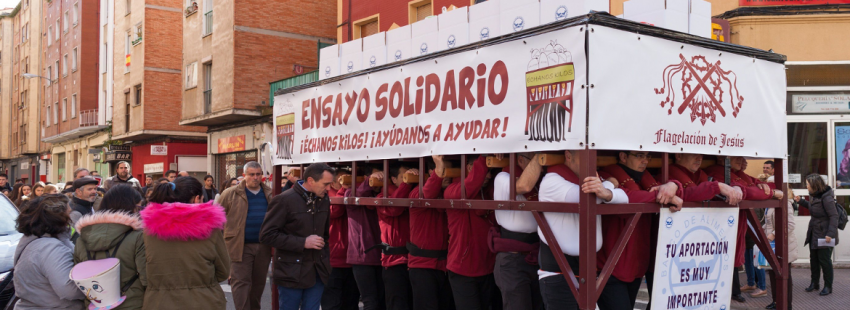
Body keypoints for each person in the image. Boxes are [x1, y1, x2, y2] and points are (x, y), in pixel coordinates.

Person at [536, 150, 629, 310]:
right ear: (568, 155)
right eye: (585, 156)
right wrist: (610, 185)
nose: (591, 162)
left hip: (587, 272)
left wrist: (605, 190)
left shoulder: (595, 182)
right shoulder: (552, 180)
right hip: (558, 274)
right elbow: (585, 198)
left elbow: (625, 198)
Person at [596, 151, 682, 310]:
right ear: (623, 156)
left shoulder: (645, 178)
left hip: (636, 266)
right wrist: (660, 195)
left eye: (648, 156)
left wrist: (674, 185)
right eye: (639, 155)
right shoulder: (607, 176)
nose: (645, 160)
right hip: (610, 267)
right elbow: (626, 199)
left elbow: (684, 193)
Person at [140, 176, 230, 309]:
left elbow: (143, 271)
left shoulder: (148, 228)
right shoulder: (210, 228)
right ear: (196, 199)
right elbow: (223, 271)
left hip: (159, 302)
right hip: (205, 301)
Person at [260, 163, 334, 310]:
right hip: (291, 272)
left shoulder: (323, 199)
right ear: (311, 180)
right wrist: (303, 242)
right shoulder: (284, 200)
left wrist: (325, 260)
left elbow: (324, 236)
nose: (328, 189)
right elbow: (266, 235)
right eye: (326, 184)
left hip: (317, 271)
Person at [73, 185, 147, 310]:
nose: (140, 212)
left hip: (95, 305)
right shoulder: (138, 237)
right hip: (132, 304)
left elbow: (78, 277)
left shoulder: (82, 238)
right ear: (130, 208)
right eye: (139, 207)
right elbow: (146, 278)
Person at [441, 155, 498, 310]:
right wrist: (485, 154)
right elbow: (469, 186)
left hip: (487, 268)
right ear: (468, 167)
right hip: (463, 270)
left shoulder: (487, 191)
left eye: (490, 170)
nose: (488, 175)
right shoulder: (453, 190)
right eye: (484, 170)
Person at [13, 194, 86, 310]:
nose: (70, 217)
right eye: (68, 213)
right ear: (58, 218)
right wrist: (94, 289)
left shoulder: (32, 240)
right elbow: (68, 289)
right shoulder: (51, 248)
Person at [491, 153, 543, 310]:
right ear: (520, 160)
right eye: (536, 161)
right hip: (512, 259)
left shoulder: (540, 181)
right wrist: (540, 153)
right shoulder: (503, 177)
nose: (541, 166)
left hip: (536, 253)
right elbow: (523, 187)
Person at [219, 162, 273, 310]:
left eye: (258, 174)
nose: (255, 178)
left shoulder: (270, 193)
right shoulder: (230, 193)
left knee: (258, 283)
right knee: (240, 283)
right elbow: (217, 217)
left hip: (263, 246)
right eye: (251, 174)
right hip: (239, 245)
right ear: (244, 176)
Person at [407, 158, 454, 310]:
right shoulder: (417, 192)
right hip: (422, 266)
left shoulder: (449, 194)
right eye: (442, 171)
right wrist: (439, 167)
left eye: (449, 171)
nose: (446, 175)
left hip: (445, 265)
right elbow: (428, 193)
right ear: (430, 173)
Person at [371, 164, 415, 310]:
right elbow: (394, 208)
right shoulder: (381, 197)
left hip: (415, 260)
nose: (409, 179)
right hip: (393, 262)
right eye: (404, 176)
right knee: (398, 304)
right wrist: (406, 184)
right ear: (394, 179)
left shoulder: (414, 193)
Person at [347, 165, 386, 310]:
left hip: (382, 255)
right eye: (378, 177)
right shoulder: (351, 192)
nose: (380, 180)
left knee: (383, 300)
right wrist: (370, 181)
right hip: (362, 257)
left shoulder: (383, 195)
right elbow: (356, 195)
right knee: (370, 301)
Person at [322, 169, 361, 310]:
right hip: (333, 259)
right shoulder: (326, 194)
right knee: (332, 303)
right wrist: (343, 190)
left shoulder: (353, 192)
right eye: (341, 179)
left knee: (351, 303)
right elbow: (335, 211)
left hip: (353, 258)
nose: (345, 182)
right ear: (333, 181)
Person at [803, 173, 839, 296]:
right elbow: (814, 208)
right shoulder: (814, 195)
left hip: (825, 234)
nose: (806, 186)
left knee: (824, 261)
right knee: (814, 259)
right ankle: (815, 283)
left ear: (814, 185)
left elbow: (834, 216)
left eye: (807, 184)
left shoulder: (826, 197)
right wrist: (801, 201)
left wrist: (830, 233)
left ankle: (828, 286)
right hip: (814, 232)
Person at [764, 186, 799, 309]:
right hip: (772, 245)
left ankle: (786, 304)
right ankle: (776, 302)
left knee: (784, 276)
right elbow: (768, 223)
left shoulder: (786, 203)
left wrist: (773, 234)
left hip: (784, 246)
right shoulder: (770, 203)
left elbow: (790, 225)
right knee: (772, 274)